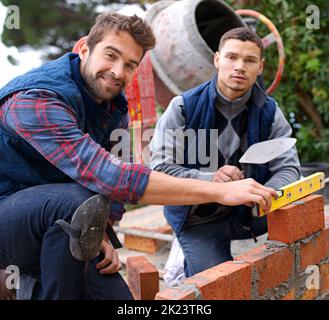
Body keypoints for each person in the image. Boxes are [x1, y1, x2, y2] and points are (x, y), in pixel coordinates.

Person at [0, 14, 276, 300]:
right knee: (75, 201)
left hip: (57, 224)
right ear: (84, 49)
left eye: (130, 65)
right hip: (10, 219)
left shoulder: (112, 106)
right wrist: (219, 191)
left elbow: (119, 182)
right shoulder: (37, 99)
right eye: (111, 55)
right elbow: (114, 177)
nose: (118, 72)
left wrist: (103, 232)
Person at [150, 27, 300, 278]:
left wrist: (267, 193)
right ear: (217, 59)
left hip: (252, 213)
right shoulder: (183, 108)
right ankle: (188, 260)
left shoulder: (270, 112)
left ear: (260, 67)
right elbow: (161, 170)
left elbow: (288, 167)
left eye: (249, 60)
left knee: (285, 271)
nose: (239, 66)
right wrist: (214, 181)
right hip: (198, 217)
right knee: (217, 283)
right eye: (232, 57)